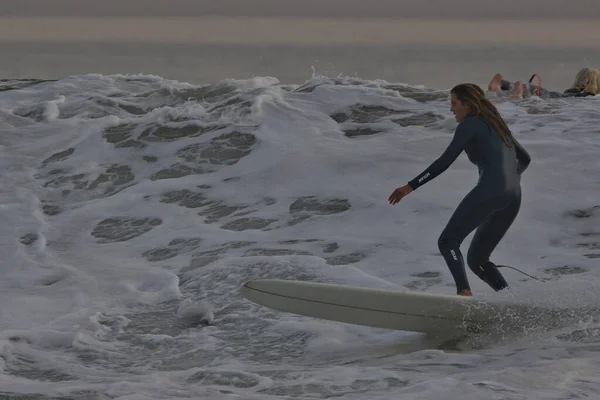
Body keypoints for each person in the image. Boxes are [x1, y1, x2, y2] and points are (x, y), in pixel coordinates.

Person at [388, 83, 531, 296]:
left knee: (448, 241)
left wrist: (411, 186)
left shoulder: (469, 125)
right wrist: (515, 175)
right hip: (514, 196)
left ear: (466, 103)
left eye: (454, 103)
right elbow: (526, 159)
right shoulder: (498, 125)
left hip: (492, 190)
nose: (451, 109)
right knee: (478, 260)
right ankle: (511, 302)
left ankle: (463, 295)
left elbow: (444, 161)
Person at [487, 68, 600, 100]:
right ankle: (517, 94)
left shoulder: (571, 90)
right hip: (555, 99)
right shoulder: (589, 98)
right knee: (522, 97)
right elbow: (591, 95)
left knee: (529, 89)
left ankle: (500, 84)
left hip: (553, 94)